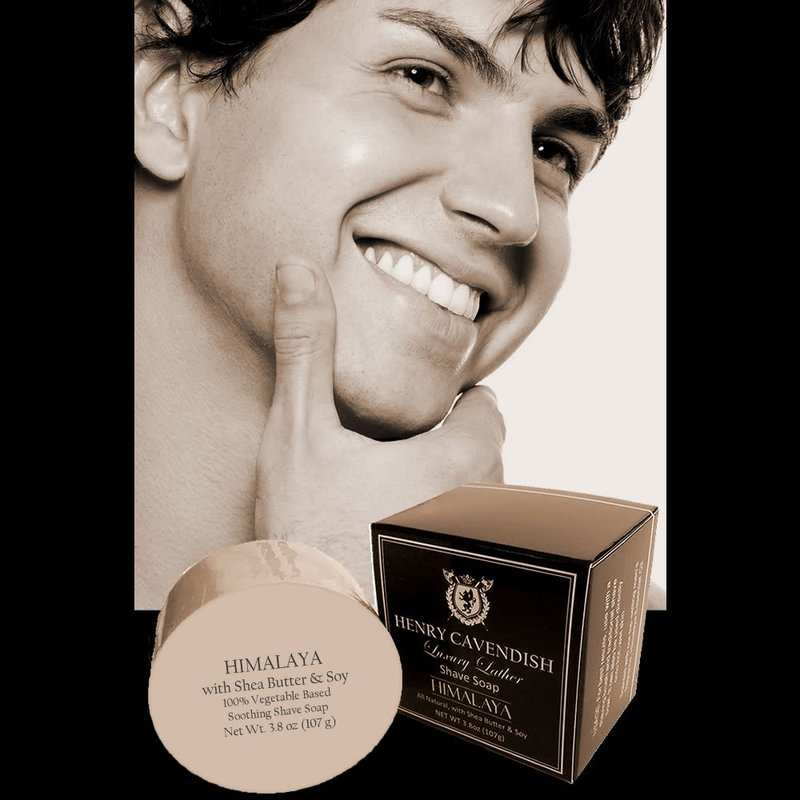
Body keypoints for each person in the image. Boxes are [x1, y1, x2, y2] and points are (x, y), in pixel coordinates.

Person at [134, 0, 665, 609]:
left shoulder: (612, 632)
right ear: (163, 94)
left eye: (551, 152)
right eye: (423, 79)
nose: (514, 211)